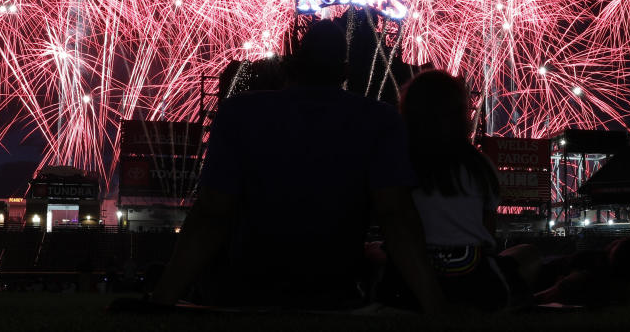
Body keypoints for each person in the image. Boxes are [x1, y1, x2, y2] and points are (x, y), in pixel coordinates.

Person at [149, 20, 444, 313]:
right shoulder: (380, 121)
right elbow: (397, 218)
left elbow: (211, 215)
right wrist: (435, 306)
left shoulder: (239, 114)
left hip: (247, 288)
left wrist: (161, 300)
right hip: (332, 289)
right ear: (344, 71)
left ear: (291, 64)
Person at [384, 69, 514, 311]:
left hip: (409, 284)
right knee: (524, 256)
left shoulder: (397, 161)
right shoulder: (479, 165)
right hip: (477, 282)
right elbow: (488, 232)